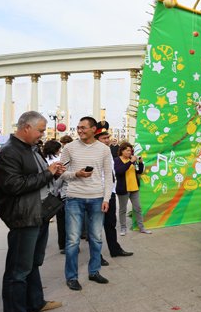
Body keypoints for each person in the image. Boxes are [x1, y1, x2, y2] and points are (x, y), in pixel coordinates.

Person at [0, 112, 64, 312]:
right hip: (24, 216)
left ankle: (35, 302)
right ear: (25, 128)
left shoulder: (30, 149)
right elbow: (14, 185)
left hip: (38, 212)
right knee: (18, 270)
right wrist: (48, 173)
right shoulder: (9, 152)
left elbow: (36, 178)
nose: (43, 134)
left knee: (32, 263)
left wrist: (53, 173)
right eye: (40, 130)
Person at [59, 117, 114, 291]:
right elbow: (61, 172)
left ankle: (94, 271)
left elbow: (108, 176)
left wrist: (106, 199)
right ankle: (71, 276)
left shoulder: (104, 149)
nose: (80, 131)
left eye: (83, 128)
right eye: (78, 127)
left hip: (97, 198)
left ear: (93, 129)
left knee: (96, 238)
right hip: (74, 198)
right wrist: (77, 174)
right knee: (73, 240)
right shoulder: (69, 148)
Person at [96, 125, 137, 259]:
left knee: (111, 224)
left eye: (108, 138)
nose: (107, 140)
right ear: (97, 139)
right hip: (98, 194)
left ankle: (115, 249)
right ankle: (97, 255)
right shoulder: (94, 153)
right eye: (104, 138)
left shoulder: (108, 152)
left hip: (110, 193)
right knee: (96, 226)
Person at [114, 141, 149, 236]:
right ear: (122, 151)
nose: (130, 152)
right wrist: (131, 162)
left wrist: (140, 163)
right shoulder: (117, 160)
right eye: (128, 150)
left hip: (134, 188)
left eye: (131, 150)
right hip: (123, 189)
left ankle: (141, 227)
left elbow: (139, 171)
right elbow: (119, 171)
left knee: (138, 208)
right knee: (122, 209)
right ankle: (123, 228)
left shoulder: (131, 160)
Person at [43, 139, 68, 255]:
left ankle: (42, 243)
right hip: (57, 193)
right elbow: (60, 179)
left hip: (45, 195)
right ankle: (63, 244)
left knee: (44, 220)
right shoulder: (58, 161)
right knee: (62, 220)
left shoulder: (43, 160)